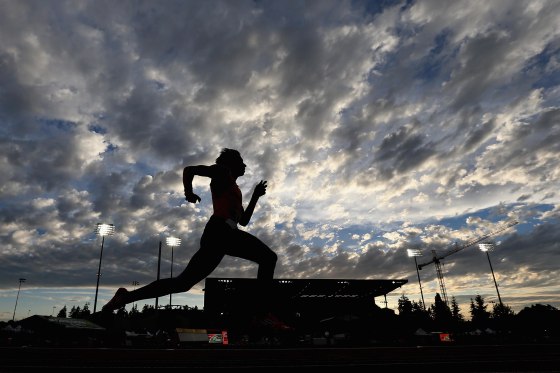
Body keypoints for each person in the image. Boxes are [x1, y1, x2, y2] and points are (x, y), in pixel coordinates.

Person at [102, 148, 278, 313]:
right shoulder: (222, 172)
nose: (245, 165)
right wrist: (189, 193)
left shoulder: (235, 190)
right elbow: (189, 170)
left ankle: (125, 298)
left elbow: (244, 221)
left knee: (183, 284)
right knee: (268, 258)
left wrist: (255, 196)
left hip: (222, 236)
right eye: (241, 161)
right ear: (231, 163)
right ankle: (262, 314)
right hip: (219, 232)